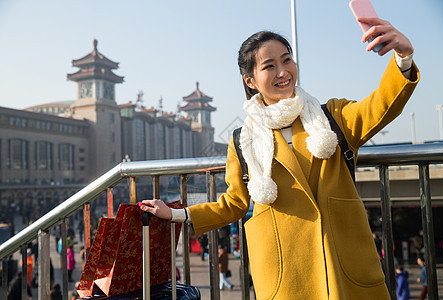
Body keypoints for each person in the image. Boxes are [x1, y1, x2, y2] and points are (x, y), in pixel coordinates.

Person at [140, 16, 419, 299]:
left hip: (343, 263)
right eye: (269, 66)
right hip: (287, 272)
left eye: (287, 60)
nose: (282, 71)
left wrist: (403, 57)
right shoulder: (242, 140)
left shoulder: (331, 118)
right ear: (250, 80)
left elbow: (381, 105)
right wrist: (176, 214)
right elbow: (234, 204)